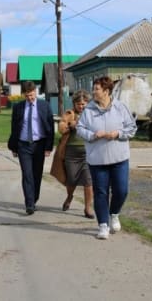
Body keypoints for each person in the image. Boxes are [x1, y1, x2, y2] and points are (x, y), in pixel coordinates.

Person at [76, 76, 137, 239]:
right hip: (97, 160)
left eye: (96, 89)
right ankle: (103, 225)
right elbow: (79, 129)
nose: (93, 92)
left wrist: (118, 133)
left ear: (106, 91)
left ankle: (114, 214)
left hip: (119, 158)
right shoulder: (88, 110)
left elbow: (132, 128)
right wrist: (92, 135)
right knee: (101, 192)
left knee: (121, 190)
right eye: (94, 88)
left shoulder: (121, 107)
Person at [8, 81, 54, 215]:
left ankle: (34, 199)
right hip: (23, 145)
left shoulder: (44, 106)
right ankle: (29, 204)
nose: (30, 98)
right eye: (27, 96)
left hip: (39, 144)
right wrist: (14, 147)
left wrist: (48, 147)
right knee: (27, 174)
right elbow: (14, 128)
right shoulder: (18, 107)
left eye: (32, 95)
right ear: (23, 94)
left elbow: (50, 127)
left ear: (36, 92)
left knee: (37, 174)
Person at [58, 90, 94, 219]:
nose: (81, 106)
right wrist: (69, 125)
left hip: (88, 153)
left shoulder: (92, 115)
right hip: (71, 153)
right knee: (71, 180)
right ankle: (69, 197)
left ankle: (88, 208)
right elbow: (61, 128)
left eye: (84, 104)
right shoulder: (69, 114)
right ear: (74, 104)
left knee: (88, 181)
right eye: (79, 104)